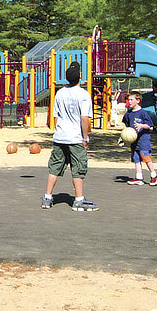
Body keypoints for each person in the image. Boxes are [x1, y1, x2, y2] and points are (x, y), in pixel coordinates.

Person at [41, 61, 97, 211]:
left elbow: (55, 116)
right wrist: (85, 137)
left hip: (60, 136)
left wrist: (58, 130)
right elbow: (84, 118)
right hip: (75, 138)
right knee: (78, 168)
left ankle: (47, 197)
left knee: (55, 167)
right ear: (80, 76)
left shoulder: (60, 93)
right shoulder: (84, 95)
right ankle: (79, 200)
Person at [123, 90, 157, 186]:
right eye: (128, 100)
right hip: (134, 140)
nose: (129, 101)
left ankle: (154, 176)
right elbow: (126, 126)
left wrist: (141, 126)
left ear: (138, 100)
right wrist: (123, 136)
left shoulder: (143, 113)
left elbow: (149, 125)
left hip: (143, 140)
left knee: (146, 158)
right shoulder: (128, 113)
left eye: (131, 100)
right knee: (136, 159)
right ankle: (139, 177)